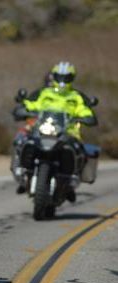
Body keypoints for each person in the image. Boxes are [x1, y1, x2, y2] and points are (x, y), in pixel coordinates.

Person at [11, 61, 98, 197]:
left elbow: (85, 111)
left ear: (72, 78)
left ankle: (70, 180)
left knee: (77, 149)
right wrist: (23, 108)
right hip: (43, 129)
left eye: (66, 77)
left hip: (68, 132)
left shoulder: (76, 97)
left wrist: (87, 117)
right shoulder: (45, 93)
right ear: (54, 76)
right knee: (23, 141)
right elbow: (32, 104)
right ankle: (23, 173)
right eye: (59, 77)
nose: (62, 81)